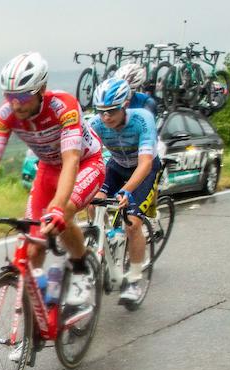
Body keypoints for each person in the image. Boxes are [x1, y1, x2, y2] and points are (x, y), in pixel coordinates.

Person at [0, 52, 105, 307]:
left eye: (23, 96)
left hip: (84, 163)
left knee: (63, 211)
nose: (16, 104)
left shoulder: (63, 106)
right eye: (9, 96)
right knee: (33, 244)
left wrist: (58, 207)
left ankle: (81, 268)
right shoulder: (6, 115)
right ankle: (37, 312)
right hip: (47, 168)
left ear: (41, 89)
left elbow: (70, 159)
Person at [88, 77, 160, 304]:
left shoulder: (142, 120)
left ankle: (135, 279)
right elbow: (86, 155)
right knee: (93, 200)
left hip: (143, 169)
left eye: (111, 111)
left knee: (133, 223)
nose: (106, 117)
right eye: (101, 111)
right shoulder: (96, 124)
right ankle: (104, 235)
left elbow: (146, 163)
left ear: (125, 106)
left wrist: (127, 190)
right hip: (117, 166)